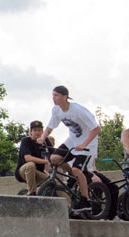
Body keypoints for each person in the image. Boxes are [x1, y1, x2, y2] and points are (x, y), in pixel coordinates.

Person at [39, 86, 98, 214]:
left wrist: (84, 144)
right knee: (54, 159)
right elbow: (50, 126)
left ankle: (85, 200)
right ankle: (76, 175)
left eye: (56, 95)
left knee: (77, 169)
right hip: (72, 141)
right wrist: (43, 137)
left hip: (88, 144)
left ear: (65, 97)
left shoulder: (77, 110)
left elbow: (96, 129)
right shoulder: (56, 110)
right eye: (52, 95)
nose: (53, 98)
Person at [15, 120, 51, 195]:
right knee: (31, 164)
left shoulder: (46, 141)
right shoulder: (26, 141)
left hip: (38, 172)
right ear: (30, 132)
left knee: (53, 182)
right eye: (34, 130)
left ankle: (69, 203)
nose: (37, 133)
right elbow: (28, 158)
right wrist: (46, 161)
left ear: (42, 132)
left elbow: (54, 155)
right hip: (23, 171)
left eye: (39, 130)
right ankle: (32, 192)